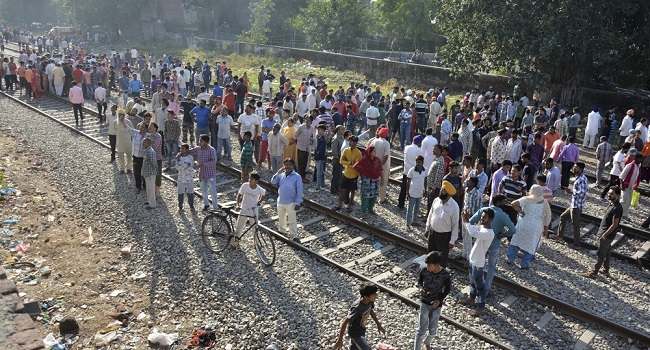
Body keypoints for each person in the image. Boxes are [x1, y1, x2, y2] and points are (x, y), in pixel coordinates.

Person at [459, 207, 495, 316]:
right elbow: (470, 228)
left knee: (480, 286)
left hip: (478, 262)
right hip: (472, 260)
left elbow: (472, 233)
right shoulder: (482, 227)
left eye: (484, 217)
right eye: (482, 216)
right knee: (473, 283)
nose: (482, 219)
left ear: (490, 219)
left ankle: (481, 306)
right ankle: (472, 298)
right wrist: (465, 219)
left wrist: (466, 220)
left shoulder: (489, 233)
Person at [506, 185, 552, 269]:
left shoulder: (526, 199)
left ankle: (510, 259)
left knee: (516, 241)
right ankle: (524, 264)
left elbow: (513, 203)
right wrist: (546, 228)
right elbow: (548, 216)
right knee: (531, 245)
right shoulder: (544, 202)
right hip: (536, 227)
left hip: (523, 223)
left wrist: (520, 211)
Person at [413, 251, 451, 350]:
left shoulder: (445, 275)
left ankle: (427, 343)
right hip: (425, 303)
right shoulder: (424, 271)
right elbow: (419, 282)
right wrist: (421, 289)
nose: (428, 267)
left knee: (432, 330)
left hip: (436, 305)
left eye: (430, 265)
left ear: (437, 265)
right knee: (421, 330)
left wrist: (439, 300)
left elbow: (447, 289)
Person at [583, 186, 623, 278]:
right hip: (605, 232)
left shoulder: (617, 208)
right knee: (607, 251)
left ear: (617, 195)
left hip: (606, 234)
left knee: (601, 253)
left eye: (612, 194)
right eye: (609, 193)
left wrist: (604, 235)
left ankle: (594, 272)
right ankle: (606, 270)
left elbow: (615, 224)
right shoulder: (612, 204)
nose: (609, 195)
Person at [333, 282, 386, 350]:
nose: (376, 295)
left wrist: (379, 325)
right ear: (366, 297)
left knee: (354, 348)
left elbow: (370, 310)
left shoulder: (370, 301)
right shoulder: (357, 308)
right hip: (355, 333)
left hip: (362, 330)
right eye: (374, 294)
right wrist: (340, 340)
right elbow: (345, 322)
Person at [424, 180, 459, 268]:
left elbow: (455, 224)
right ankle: (430, 271)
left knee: (441, 258)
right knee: (430, 254)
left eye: (443, 191)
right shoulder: (436, 200)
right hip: (432, 233)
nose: (441, 191)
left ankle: (439, 274)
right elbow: (430, 214)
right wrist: (427, 229)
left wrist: (452, 240)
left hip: (444, 236)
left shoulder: (454, 206)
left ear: (449, 194)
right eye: (441, 189)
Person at [556, 162, 588, 248]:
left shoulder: (582, 179)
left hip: (576, 206)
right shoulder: (579, 178)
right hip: (573, 204)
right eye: (574, 167)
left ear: (581, 169)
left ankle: (576, 244)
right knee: (563, 217)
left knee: (575, 225)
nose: (574, 168)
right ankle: (559, 236)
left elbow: (583, 193)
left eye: (576, 167)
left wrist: (572, 191)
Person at [271, 158, 303, 243]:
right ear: (284, 166)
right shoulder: (281, 175)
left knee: (292, 220)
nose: (288, 166)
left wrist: (298, 202)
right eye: (286, 165)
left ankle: (294, 235)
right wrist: (278, 172)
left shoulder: (297, 177)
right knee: (281, 218)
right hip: (280, 201)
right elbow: (273, 182)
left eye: (290, 165)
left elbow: (299, 191)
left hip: (291, 202)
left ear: (293, 166)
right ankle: (282, 231)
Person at [232, 173, 266, 248]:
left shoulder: (259, 189)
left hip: (253, 210)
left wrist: (259, 202)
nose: (250, 180)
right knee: (239, 226)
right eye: (250, 178)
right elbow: (239, 195)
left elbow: (263, 194)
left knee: (255, 227)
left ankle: (256, 243)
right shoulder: (245, 185)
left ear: (256, 181)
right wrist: (238, 204)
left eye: (252, 179)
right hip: (244, 208)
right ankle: (235, 242)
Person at [189, 134, 218, 211]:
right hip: (202, 174)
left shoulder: (211, 150)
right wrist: (191, 142)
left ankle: (216, 208)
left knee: (213, 191)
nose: (199, 142)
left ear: (205, 142)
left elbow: (214, 161)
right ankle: (206, 205)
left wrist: (204, 164)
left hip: (210, 174)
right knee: (203, 190)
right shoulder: (198, 149)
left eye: (201, 141)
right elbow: (190, 151)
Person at [353, 145, 383, 216]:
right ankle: (363, 210)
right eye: (373, 151)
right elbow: (356, 166)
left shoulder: (377, 160)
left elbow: (380, 169)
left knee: (374, 195)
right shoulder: (364, 160)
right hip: (367, 180)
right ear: (369, 152)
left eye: (375, 151)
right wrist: (363, 174)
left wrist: (383, 178)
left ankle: (370, 208)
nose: (375, 153)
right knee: (365, 195)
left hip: (375, 180)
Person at [335, 135, 362, 211]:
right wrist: (350, 162)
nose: (350, 142)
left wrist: (347, 162)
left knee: (352, 190)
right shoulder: (346, 150)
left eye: (352, 141)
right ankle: (339, 204)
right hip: (346, 173)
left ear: (356, 143)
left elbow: (356, 165)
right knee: (341, 189)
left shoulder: (358, 153)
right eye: (350, 141)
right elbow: (341, 161)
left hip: (354, 174)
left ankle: (349, 205)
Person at [371, 127, 391, 203]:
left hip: (374, 164)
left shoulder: (374, 141)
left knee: (374, 180)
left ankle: (373, 197)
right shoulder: (386, 143)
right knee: (383, 181)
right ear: (386, 135)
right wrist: (380, 165)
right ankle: (381, 198)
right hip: (383, 166)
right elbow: (386, 156)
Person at [619, 153, 642, 219]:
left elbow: (636, 177)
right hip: (625, 186)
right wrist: (622, 185)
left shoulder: (638, 166)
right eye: (639, 159)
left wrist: (636, 186)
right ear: (635, 159)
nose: (640, 160)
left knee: (628, 202)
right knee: (624, 200)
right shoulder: (629, 165)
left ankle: (624, 214)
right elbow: (621, 176)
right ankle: (615, 210)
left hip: (631, 187)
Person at [406, 155, 426, 229]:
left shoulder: (425, 170)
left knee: (417, 209)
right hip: (412, 192)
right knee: (410, 209)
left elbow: (425, 180)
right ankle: (407, 224)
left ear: (422, 162)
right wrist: (407, 192)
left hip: (419, 192)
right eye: (417, 162)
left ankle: (414, 221)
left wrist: (425, 190)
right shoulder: (411, 170)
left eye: (419, 162)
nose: (418, 164)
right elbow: (408, 182)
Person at [175, 143, 196, 213]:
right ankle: (180, 207)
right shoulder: (178, 157)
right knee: (180, 193)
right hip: (181, 178)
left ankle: (191, 206)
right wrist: (181, 164)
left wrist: (180, 163)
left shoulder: (190, 157)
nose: (181, 150)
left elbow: (189, 165)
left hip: (189, 178)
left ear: (187, 150)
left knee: (190, 192)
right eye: (181, 148)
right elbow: (177, 168)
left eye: (183, 148)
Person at [113, 109, 133, 173]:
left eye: (122, 115)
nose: (120, 116)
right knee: (120, 156)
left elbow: (132, 130)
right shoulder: (115, 122)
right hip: (120, 141)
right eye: (119, 114)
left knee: (129, 156)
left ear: (124, 115)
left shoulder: (128, 122)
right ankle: (122, 168)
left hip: (127, 141)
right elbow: (115, 128)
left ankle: (129, 168)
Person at [141, 138, 158, 209]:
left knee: (151, 188)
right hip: (147, 173)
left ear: (147, 143)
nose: (142, 144)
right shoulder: (147, 151)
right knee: (148, 188)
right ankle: (149, 201)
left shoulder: (150, 151)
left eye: (143, 143)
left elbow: (154, 162)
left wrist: (155, 171)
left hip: (150, 173)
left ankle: (153, 204)